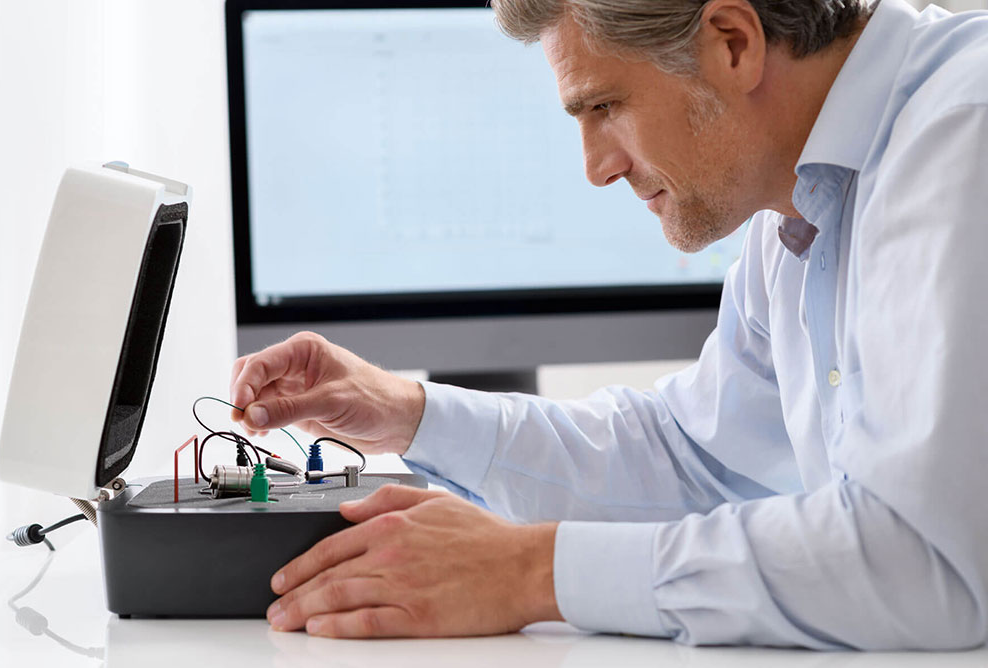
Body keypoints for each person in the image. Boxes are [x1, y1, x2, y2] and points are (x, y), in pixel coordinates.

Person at [230, 0, 988, 649]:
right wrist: (410, 414)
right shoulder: (797, 195)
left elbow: (926, 558)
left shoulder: (965, 134)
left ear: (733, 42)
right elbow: (697, 460)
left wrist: (531, 572)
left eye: (604, 106)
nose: (596, 167)